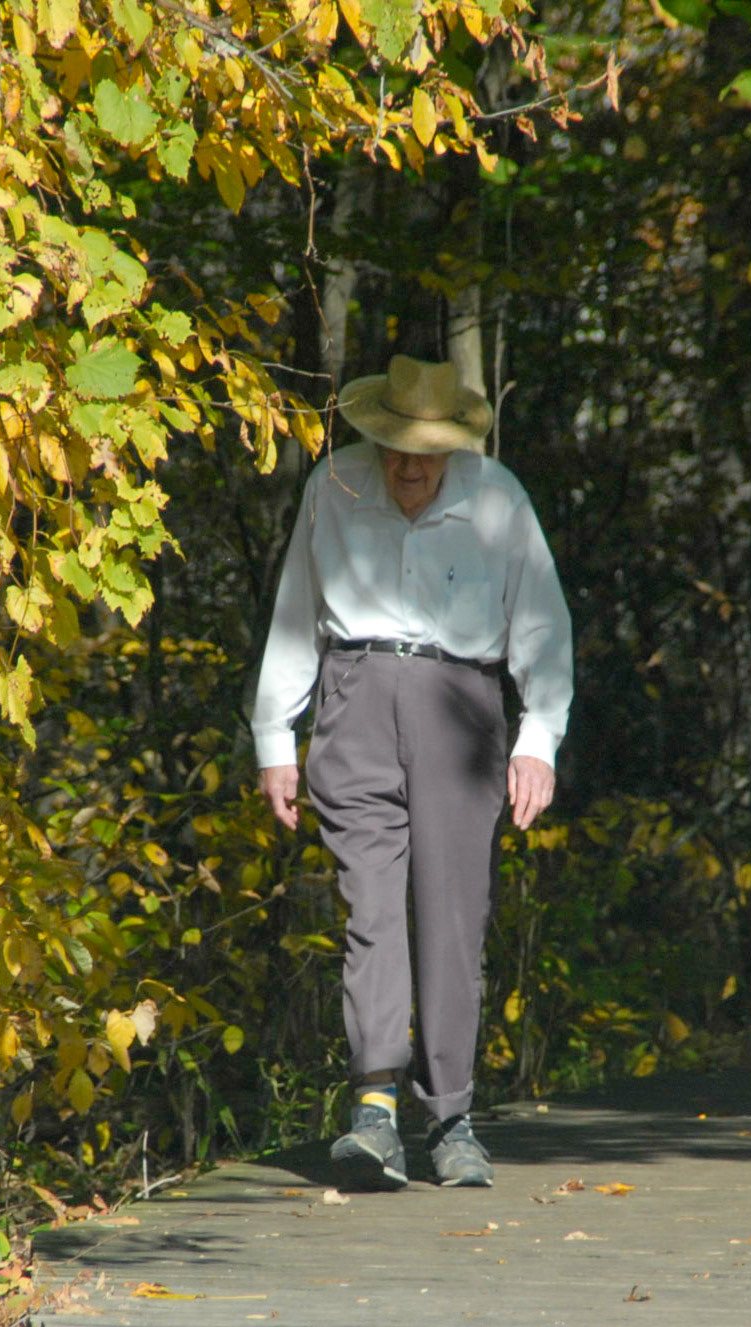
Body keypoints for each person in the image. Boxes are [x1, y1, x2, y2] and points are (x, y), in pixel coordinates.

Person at [253, 355, 572, 1190]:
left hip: (460, 705)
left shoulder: (497, 498)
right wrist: (273, 738)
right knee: (370, 906)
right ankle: (374, 1108)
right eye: (394, 447)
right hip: (352, 697)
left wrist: (539, 735)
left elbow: (540, 619)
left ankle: (453, 1116)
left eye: (424, 452)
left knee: (451, 914)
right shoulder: (336, 485)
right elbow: (296, 609)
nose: (408, 467)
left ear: (452, 447)